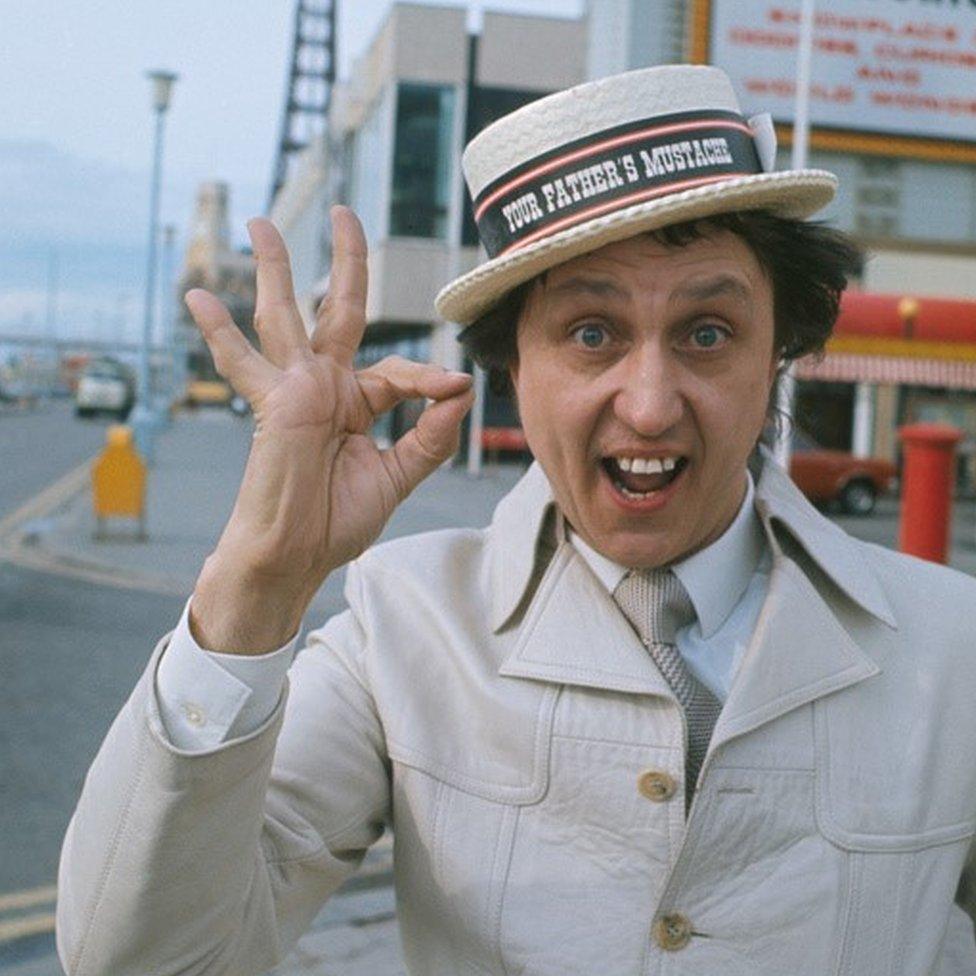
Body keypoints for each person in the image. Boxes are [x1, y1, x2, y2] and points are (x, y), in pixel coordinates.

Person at [57, 65, 976, 976]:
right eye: (590, 334)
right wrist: (255, 583)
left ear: (778, 351)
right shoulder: (404, 626)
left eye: (707, 332)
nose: (650, 405)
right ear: (514, 371)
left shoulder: (952, 650)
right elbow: (145, 960)